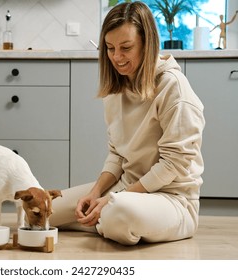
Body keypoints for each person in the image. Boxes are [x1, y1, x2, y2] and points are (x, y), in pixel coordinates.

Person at [49, 1, 205, 245]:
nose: (117, 57)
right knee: (47, 210)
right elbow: (117, 154)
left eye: (126, 47)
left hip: (172, 199)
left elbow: (173, 164)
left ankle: (108, 219)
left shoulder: (173, 87)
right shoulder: (117, 88)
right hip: (126, 189)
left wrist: (115, 198)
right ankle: (104, 220)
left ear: (147, 43)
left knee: (117, 214)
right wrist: (96, 193)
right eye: (110, 48)